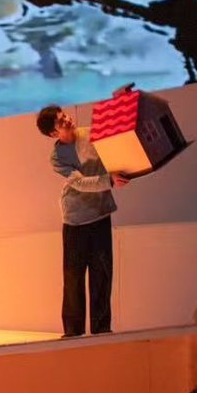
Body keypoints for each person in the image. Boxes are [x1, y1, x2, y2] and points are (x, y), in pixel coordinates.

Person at [36, 105, 128, 337]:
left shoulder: (92, 134)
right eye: (61, 122)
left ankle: (102, 329)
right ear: (53, 134)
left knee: (102, 274)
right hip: (75, 219)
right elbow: (79, 183)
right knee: (73, 277)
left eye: (65, 115)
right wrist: (109, 181)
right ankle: (73, 333)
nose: (68, 120)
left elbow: (114, 153)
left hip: (101, 213)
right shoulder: (57, 157)